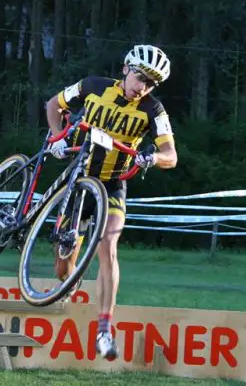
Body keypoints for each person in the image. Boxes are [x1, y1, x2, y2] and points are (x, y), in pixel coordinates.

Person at [42, 44, 178, 360]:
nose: (142, 86)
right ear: (126, 69)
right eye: (140, 77)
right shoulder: (93, 86)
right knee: (63, 264)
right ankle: (70, 282)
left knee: (109, 248)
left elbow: (171, 155)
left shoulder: (152, 109)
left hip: (113, 184)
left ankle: (105, 329)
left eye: (151, 83)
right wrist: (58, 135)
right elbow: (53, 104)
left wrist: (153, 156)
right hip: (79, 178)